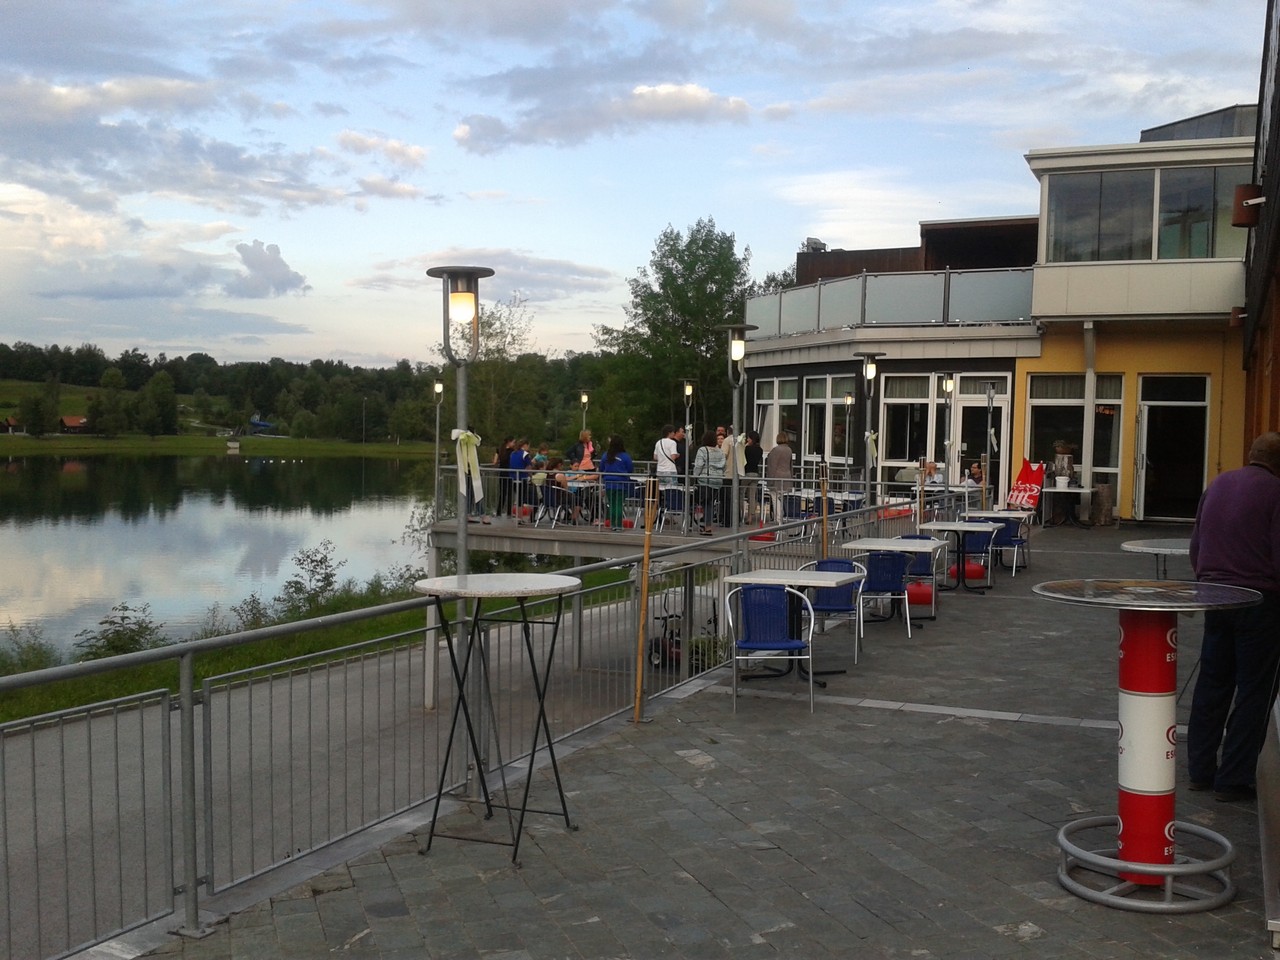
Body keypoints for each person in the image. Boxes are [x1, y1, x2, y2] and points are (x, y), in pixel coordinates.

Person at [1186, 432, 1280, 802]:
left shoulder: (1219, 484)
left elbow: (1197, 544)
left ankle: (1200, 770)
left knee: (1212, 682)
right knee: (1255, 690)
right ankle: (1234, 778)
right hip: (1259, 601)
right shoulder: (1275, 491)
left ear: (1252, 454)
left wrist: (1206, 580)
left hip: (1217, 597)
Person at [693, 430, 725, 534]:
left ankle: (707, 526)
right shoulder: (720, 451)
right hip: (717, 480)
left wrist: (695, 476)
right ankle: (708, 525)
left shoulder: (702, 450)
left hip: (705, 480)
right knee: (711, 503)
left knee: (706, 503)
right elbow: (723, 465)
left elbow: (699, 465)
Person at [599, 436, 634, 531]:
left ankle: (612, 523)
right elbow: (630, 469)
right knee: (619, 505)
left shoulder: (606, 455)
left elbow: (601, 468)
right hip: (621, 483)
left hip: (609, 483)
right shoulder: (625, 456)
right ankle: (618, 525)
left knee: (612, 504)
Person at [764, 432, 794, 497]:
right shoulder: (789, 450)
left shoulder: (775, 450)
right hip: (787, 477)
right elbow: (790, 465)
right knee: (784, 498)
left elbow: (772, 466)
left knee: (775, 497)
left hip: (777, 478)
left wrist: (770, 481)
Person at [743, 430, 764, 523]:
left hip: (746, 473)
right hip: (755, 473)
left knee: (740, 493)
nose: (747, 439)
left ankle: (740, 514)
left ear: (751, 439)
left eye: (748, 438)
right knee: (752, 496)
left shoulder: (746, 449)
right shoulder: (760, 450)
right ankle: (750, 517)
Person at [493, 437, 514, 518]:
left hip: (502, 473)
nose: (514, 444)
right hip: (509, 473)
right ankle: (509, 512)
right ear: (509, 442)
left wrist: (499, 462)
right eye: (513, 442)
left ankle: (499, 511)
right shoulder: (512, 451)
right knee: (509, 493)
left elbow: (494, 461)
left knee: (502, 493)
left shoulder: (499, 450)